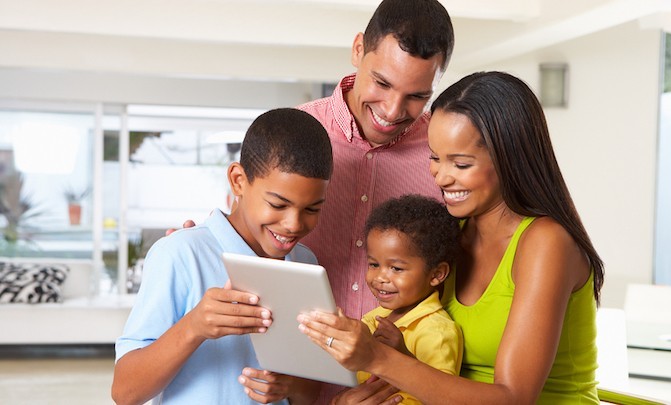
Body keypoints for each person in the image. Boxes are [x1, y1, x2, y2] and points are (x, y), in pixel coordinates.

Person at [174, 1, 455, 403]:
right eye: (382, 82)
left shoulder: (442, 154)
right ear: (358, 49)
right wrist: (191, 246)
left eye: (417, 96)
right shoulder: (295, 136)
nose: (393, 111)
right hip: (290, 389)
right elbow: (245, 229)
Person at [298, 71, 605, 404]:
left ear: (509, 159)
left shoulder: (546, 242)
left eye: (460, 164)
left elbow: (513, 398)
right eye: (434, 158)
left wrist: (377, 358)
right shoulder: (446, 237)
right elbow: (430, 370)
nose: (441, 177)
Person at [112, 108, 333, 405]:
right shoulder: (180, 253)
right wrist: (194, 327)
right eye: (277, 204)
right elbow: (125, 393)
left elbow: (307, 394)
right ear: (238, 181)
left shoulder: (306, 264)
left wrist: (287, 385)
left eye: (312, 209)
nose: (294, 224)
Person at [356, 194, 463, 404]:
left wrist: (403, 357)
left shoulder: (438, 333)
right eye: (374, 264)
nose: (380, 278)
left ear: (436, 274)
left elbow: (444, 396)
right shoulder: (374, 319)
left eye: (396, 268)